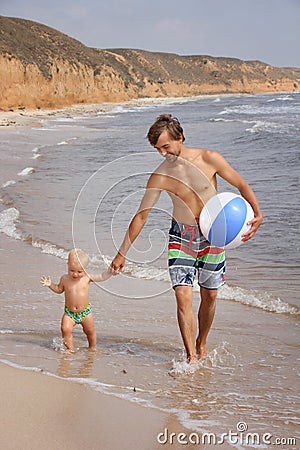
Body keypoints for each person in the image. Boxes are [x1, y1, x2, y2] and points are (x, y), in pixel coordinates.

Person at [111, 114, 263, 363]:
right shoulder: (160, 176)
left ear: (180, 138)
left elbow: (241, 185)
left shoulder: (209, 158)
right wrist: (122, 253)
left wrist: (257, 213)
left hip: (214, 235)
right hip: (181, 237)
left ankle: (201, 343)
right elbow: (141, 216)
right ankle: (191, 356)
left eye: (166, 146)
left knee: (210, 295)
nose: (162, 153)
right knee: (183, 296)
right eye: (158, 149)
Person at [41, 248, 113, 351]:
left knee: (90, 331)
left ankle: (92, 347)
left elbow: (101, 276)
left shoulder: (87, 278)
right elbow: (59, 289)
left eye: (79, 271)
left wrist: (109, 272)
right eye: (72, 270)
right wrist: (50, 285)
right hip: (70, 313)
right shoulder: (65, 279)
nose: (75, 274)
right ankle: (70, 349)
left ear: (85, 268)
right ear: (68, 265)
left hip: (85, 312)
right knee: (65, 329)